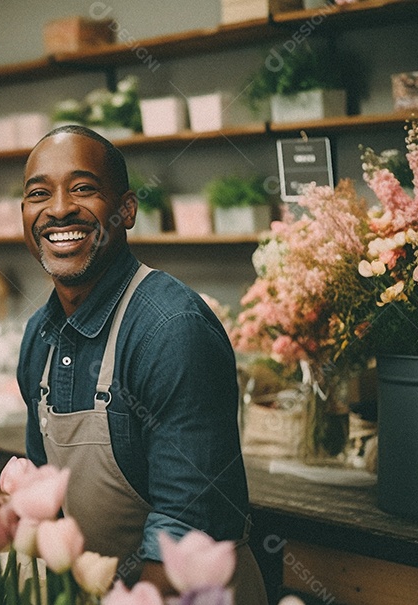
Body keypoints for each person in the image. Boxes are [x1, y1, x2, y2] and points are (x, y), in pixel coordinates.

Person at [17, 125, 266, 604]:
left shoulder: (172, 329)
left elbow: (187, 526)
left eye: (83, 188)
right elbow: (44, 501)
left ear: (127, 210)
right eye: (39, 193)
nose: (59, 208)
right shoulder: (39, 336)